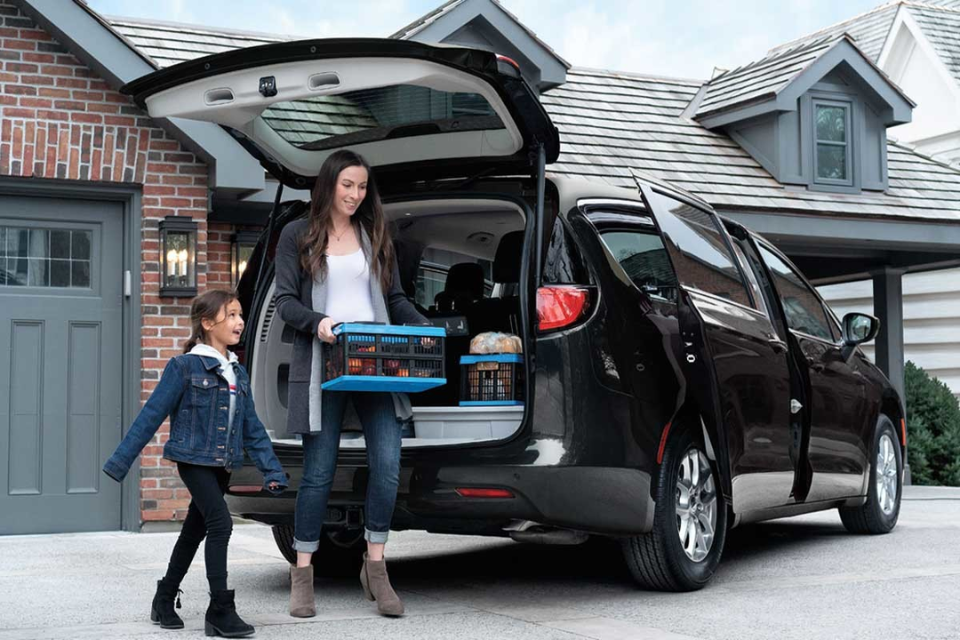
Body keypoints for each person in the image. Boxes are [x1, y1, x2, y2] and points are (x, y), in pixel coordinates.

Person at [275, 149, 430, 618]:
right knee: (319, 473)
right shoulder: (297, 234)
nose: (355, 195)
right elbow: (284, 301)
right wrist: (319, 322)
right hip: (325, 363)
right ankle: (303, 572)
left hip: (376, 364)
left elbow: (396, 298)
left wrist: (423, 329)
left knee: (387, 465)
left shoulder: (375, 233)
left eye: (362, 187)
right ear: (329, 185)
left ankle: (376, 566)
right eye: (347, 185)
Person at [103, 289, 287, 638]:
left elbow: (253, 428)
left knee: (194, 531)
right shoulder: (184, 367)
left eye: (240, 315)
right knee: (221, 523)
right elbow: (151, 414)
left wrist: (272, 470)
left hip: (223, 464)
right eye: (231, 315)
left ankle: (165, 595)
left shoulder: (237, 372)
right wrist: (120, 462)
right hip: (192, 460)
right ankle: (220, 608)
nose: (240, 322)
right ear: (207, 323)